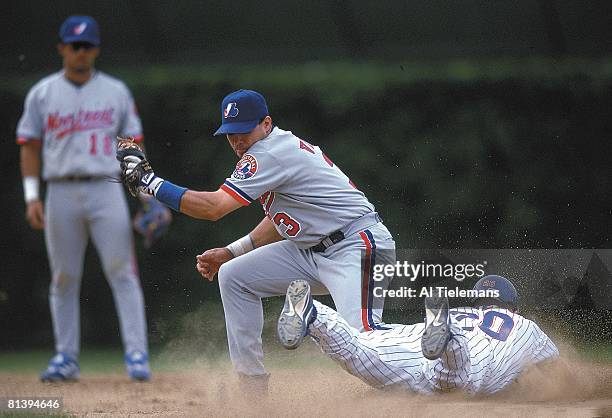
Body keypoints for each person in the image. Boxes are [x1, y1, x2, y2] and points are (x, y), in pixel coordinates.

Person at [116, 89, 396, 389]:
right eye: (230, 133)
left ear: (266, 123)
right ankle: (252, 388)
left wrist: (149, 182)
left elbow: (213, 208)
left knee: (363, 348)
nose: (237, 140)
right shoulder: (273, 149)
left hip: (357, 246)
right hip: (312, 249)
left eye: (244, 131)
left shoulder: (269, 153)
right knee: (235, 275)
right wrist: (232, 251)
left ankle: (441, 348)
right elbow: (282, 220)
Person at [16, 15, 154, 382]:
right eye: (75, 45)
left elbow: (131, 148)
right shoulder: (43, 93)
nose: (81, 52)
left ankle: (137, 355)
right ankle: (66, 358)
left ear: (96, 49)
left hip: (106, 186)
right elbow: (28, 145)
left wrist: (145, 197)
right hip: (59, 189)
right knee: (63, 276)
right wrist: (32, 196)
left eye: (87, 46)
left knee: (122, 270)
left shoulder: (115, 91)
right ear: (62, 47)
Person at [276, 275, 560, 395]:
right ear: (513, 307)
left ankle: (314, 314)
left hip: (412, 343)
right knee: (453, 380)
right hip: (473, 357)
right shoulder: (525, 327)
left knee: (358, 352)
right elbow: (556, 370)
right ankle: (448, 335)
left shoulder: (466, 309)